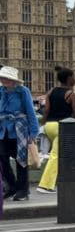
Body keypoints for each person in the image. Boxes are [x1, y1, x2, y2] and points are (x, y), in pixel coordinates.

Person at [38, 66, 75, 193]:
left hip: (49, 126)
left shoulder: (51, 92)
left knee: (70, 153)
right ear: (69, 79)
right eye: (73, 77)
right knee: (56, 156)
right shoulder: (71, 94)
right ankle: (45, 185)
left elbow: (46, 110)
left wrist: (43, 124)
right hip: (63, 127)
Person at [1, 64, 41, 203]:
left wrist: (33, 132)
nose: (3, 80)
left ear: (13, 80)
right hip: (3, 130)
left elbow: (30, 112)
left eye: (5, 78)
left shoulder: (23, 91)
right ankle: (12, 186)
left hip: (20, 131)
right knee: (2, 159)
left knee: (21, 161)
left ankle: (23, 190)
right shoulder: (1, 91)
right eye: (2, 78)